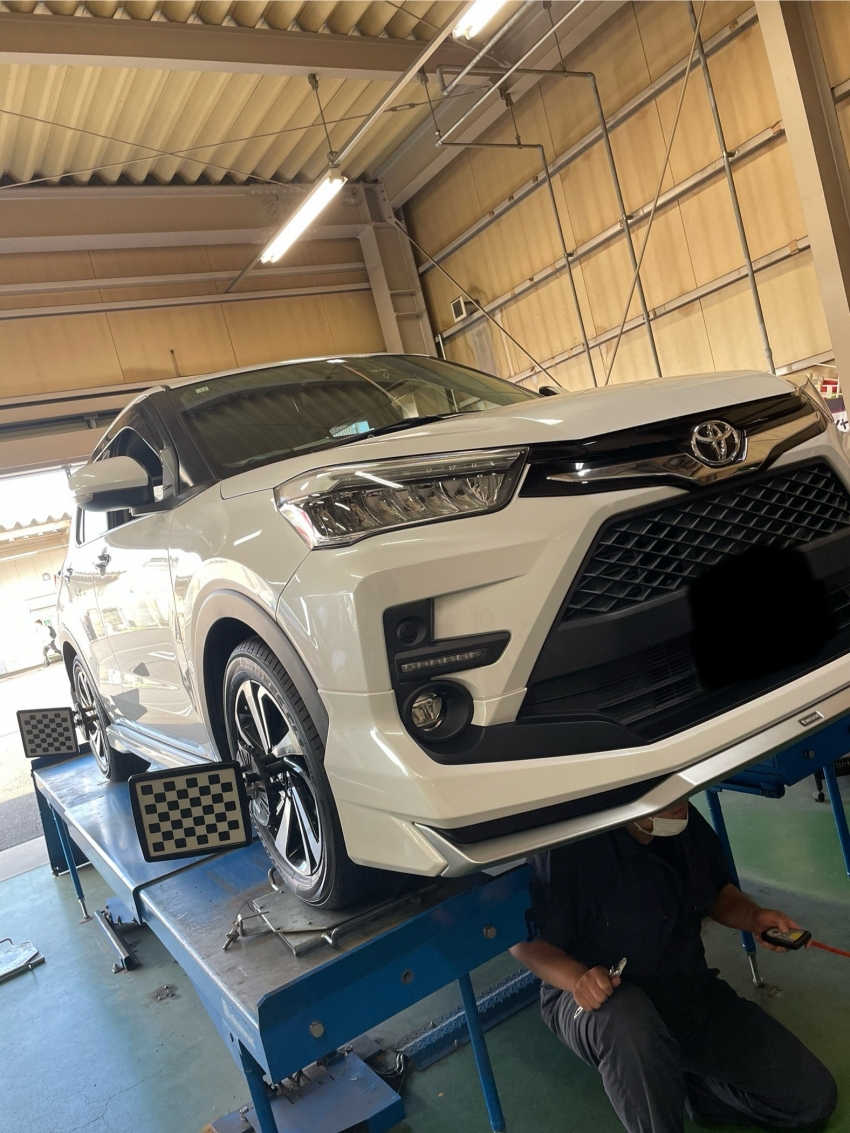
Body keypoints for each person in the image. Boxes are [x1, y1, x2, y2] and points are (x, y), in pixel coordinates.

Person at [511, 800, 837, 1133]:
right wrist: (578, 978)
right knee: (629, 1023)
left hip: (685, 989)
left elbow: (716, 892)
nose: (680, 802)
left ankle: (685, 1088)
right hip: (594, 999)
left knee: (812, 1100)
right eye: (665, 793)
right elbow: (522, 942)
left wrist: (753, 916)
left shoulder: (683, 820)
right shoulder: (569, 843)